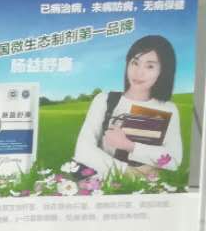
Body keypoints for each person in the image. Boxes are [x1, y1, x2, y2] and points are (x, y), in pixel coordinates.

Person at [71, 34, 183, 178]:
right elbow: (83, 150)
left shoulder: (167, 108)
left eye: (150, 66)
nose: (139, 72)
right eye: (135, 63)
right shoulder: (105, 100)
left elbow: (173, 160)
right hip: (104, 183)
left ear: (163, 71)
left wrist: (129, 146)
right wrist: (130, 173)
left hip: (144, 187)